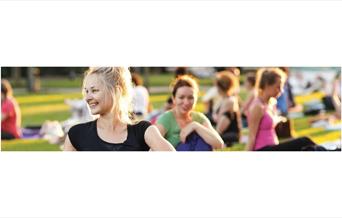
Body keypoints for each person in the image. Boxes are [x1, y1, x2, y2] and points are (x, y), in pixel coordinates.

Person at [64, 67, 175, 151]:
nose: (87, 97)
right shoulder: (76, 134)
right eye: (86, 91)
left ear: (117, 91)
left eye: (94, 90)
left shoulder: (143, 131)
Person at [246, 68, 320, 151]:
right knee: (304, 141)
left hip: (273, 146)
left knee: (308, 148)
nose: (281, 91)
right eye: (278, 87)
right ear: (267, 85)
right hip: (263, 149)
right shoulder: (257, 106)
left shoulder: (271, 103)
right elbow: (251, 136)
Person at [156, 75, 224, 150]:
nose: (186, 102)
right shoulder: (166, 119)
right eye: (181, 97)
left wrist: (195, 126)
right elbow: (153, 146)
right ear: (174, 99)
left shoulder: (199, 118)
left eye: (190, 97)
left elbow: (219, 144)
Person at [212, 71, 242, 146]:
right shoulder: (224, 99)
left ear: (220, 87)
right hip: (226, 132)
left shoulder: (229, 101)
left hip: (230, 134)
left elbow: (221, 120)